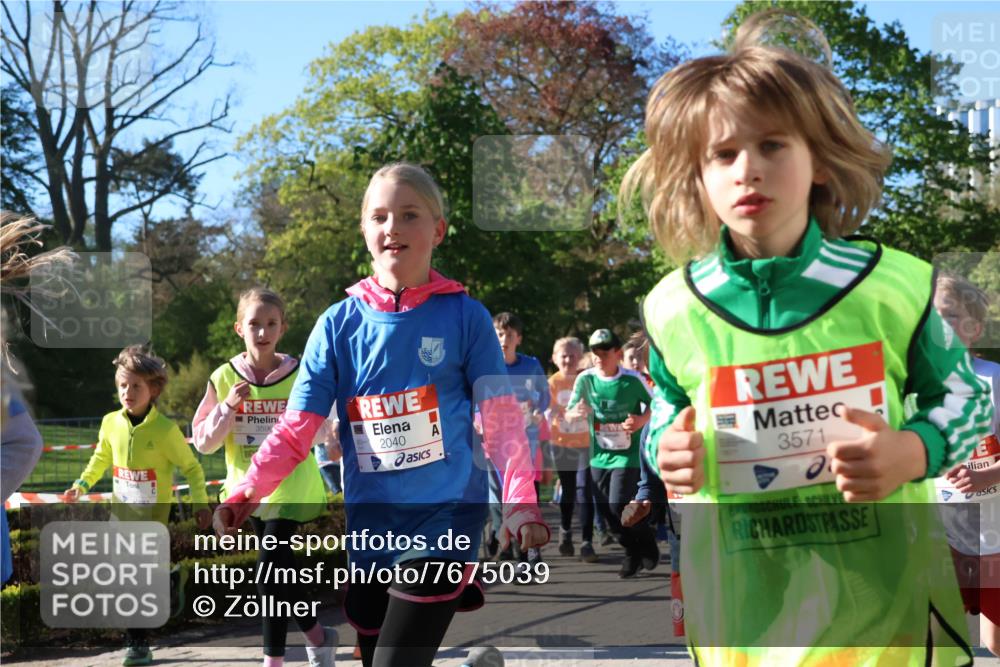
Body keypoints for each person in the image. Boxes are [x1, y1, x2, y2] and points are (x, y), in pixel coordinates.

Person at [623, 9, 992, 664]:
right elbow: (661, 412)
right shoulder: (671, 307)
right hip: (743, 620)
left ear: (818, 160)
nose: (747, 170)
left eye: (772, 145)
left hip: (889, 620)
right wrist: (665, 448)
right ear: (699, 176)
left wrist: (916, 447)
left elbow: (969, 398)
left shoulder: (896, 288)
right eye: (724, 153)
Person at [212, 162, 548, 667]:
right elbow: (297, 428)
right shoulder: (337, 324)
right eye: (380, 216)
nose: (393, 227)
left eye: (409, 215)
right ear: (365, 231)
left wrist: (520, 501)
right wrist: (248, 490)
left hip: (445, 519)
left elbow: (500, 421)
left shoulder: (466, 316)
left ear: (437, 230)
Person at [192, 287, 334, 667]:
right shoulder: (223, 378)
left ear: (283, 327)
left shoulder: (301, 374)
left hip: (291, 484)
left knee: (270, 569)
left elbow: (320, 432)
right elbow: (203, 443)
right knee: (282, 572)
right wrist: (227, 407)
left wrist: (317, 424)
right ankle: (319, 637)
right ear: (239, 328)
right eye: (254, 324)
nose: (262, 332)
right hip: (246, 489)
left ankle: (273, 660)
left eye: (271, 323)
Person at [65, 345, 212, 666]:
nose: (127, 392)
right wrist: (81, 485)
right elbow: (101, 458)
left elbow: (192, 468)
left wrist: (201, 504)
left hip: (154, 518)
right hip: (122, 515)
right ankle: (169, 584)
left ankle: (138, 643)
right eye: (122, 385)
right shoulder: (109, 423)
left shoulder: (165, 431)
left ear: (154, 389)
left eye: (136, 386)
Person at [935, 274, 1000, 656]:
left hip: (993, 537)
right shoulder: (914, 385)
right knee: (937, 639)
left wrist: (987, 474)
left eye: (950, 315)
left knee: (993, 641)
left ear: (974, 329)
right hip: (938, 536)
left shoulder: (993, 380)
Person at [567, 328, 656, 578]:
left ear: (617, 353)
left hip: (628, 454)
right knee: (606, 511)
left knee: (618, 503)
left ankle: (642, 545)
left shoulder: (631, 379)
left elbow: (655, 403)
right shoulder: (585, 380)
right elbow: (569, 412)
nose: (598, 357)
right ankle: (633, 548)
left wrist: (640, 421)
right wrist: (577, 413)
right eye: (594, 352)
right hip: (599, 454)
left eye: (604, 352)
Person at [492, 311, 549, 567]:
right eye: (499, 334)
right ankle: (505, 540)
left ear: (519, 338)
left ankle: (529, 549)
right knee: (499, 495)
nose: (504, 339)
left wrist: (538, 411)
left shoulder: (531, 365)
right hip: (496, 442)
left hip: (527, 439)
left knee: (526, 490)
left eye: (509, 335)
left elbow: (544, 395)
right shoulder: (488, 366)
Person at [547, 337, 598, 562]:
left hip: (587, 443)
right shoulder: (552, 383)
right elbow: (548, 412)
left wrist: (590, 410)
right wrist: (567, 414)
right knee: (568, 492)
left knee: (585, 490)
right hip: (562, 444)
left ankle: (587, 542)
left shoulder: (587, 380)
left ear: (580, 357)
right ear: (555, 358)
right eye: (564, 355)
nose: (568, 359)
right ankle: (566, 531)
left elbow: (598, 405)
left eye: (573, 355)